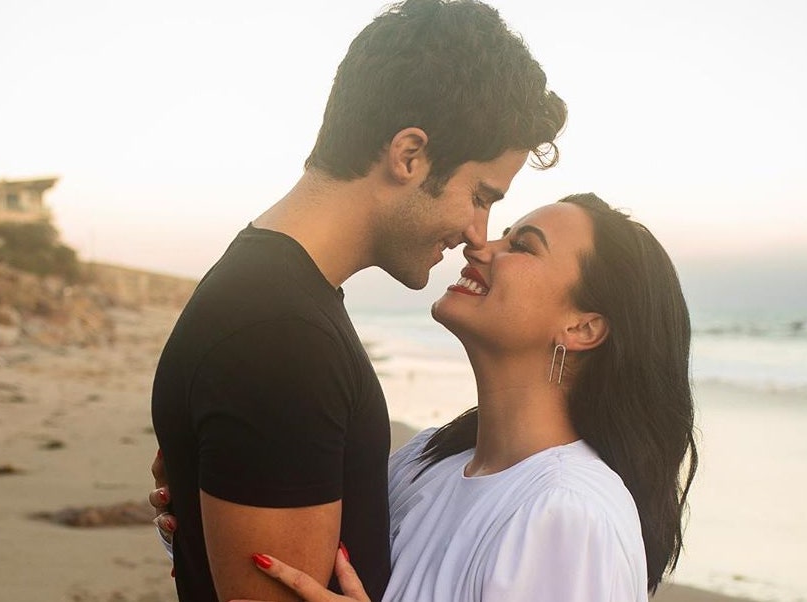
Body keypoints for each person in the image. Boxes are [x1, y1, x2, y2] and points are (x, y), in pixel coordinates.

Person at [149, 1, 567, 600]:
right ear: (409, 155)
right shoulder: (281, 336)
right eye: (480, 195)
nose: (478, 233)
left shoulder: (272, 299)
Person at [201, 193, 699, 601]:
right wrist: (214, 506)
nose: (478, 245)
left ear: (583, 328)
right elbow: (301, 576)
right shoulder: (426, 459)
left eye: (522, 245)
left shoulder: (569, 515)